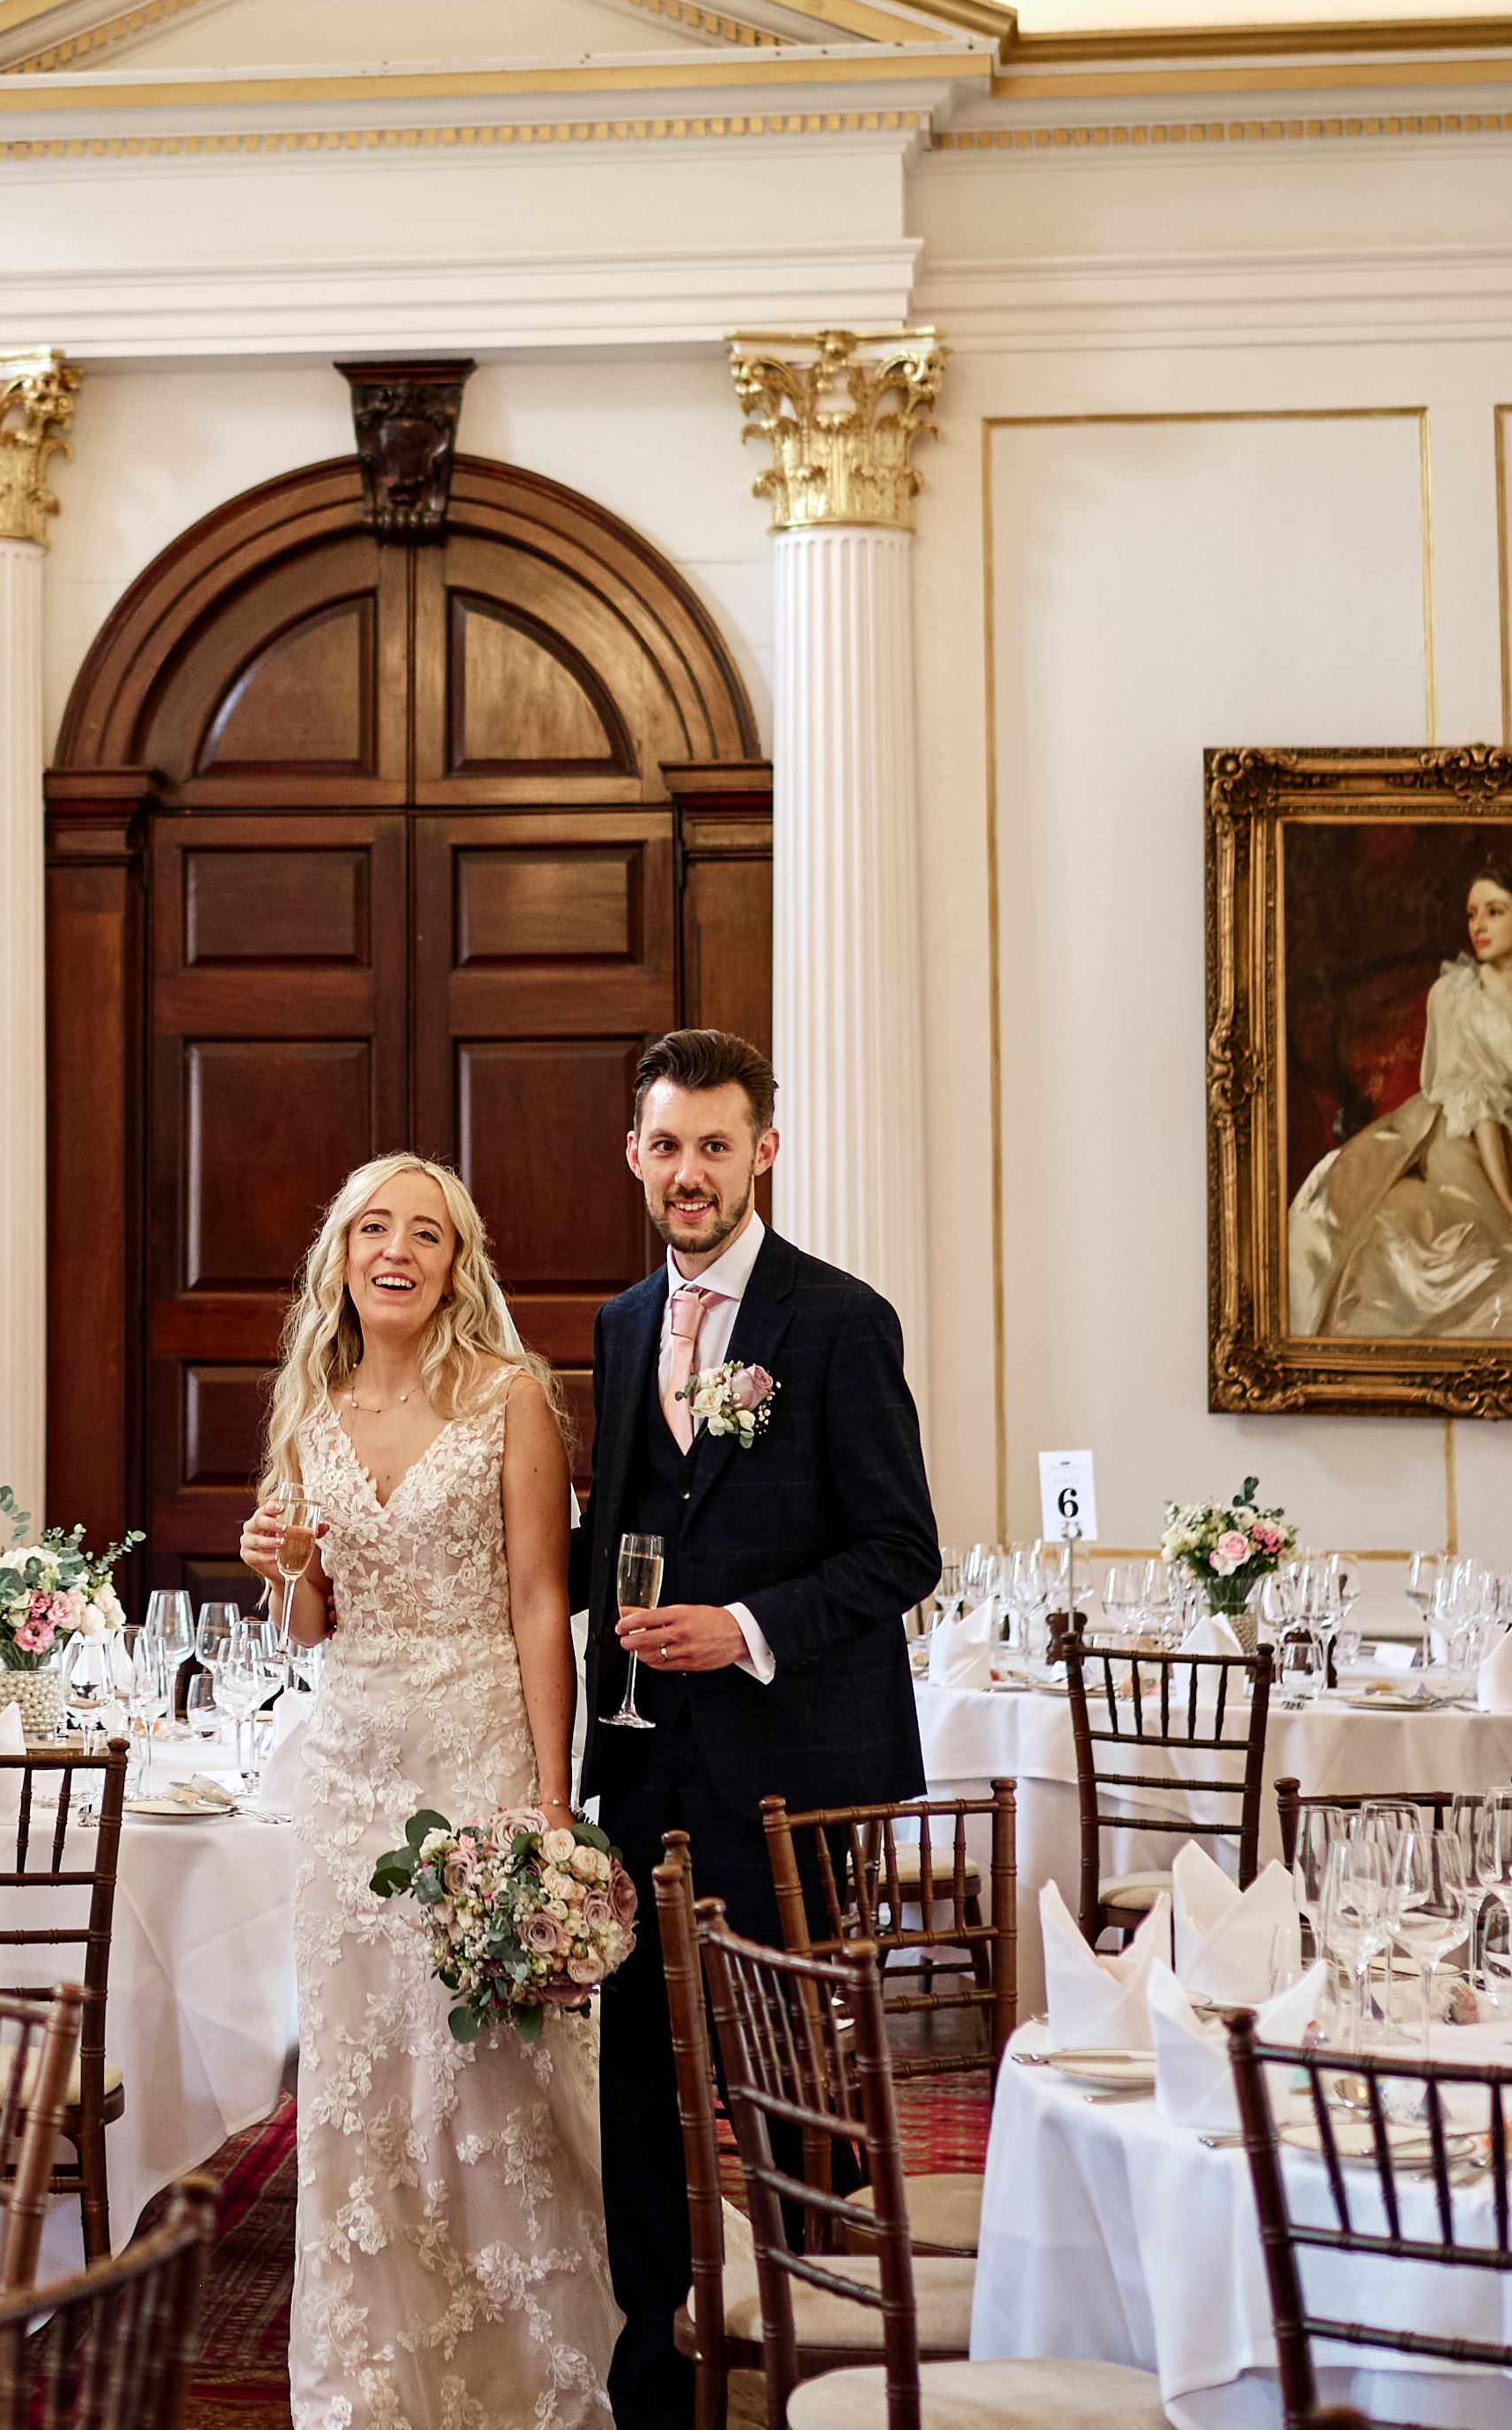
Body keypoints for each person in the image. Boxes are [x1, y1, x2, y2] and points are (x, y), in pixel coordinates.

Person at [573, 1029, 940, 2430]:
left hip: (796, 1781)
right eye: (664, 1145)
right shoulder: (617, 1328)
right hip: (647, 1766)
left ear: (762, 1153)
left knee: (795, 2097)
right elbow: (620, 1526)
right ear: (634, 1154)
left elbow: (901, 1551)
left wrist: (744, 1629)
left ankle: (823, 2372)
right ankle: (655, 2383)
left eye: (713, 1144)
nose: (687, 1171)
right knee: (638, 2096)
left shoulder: (838, 1320)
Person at [237, 1153, 614, 2430]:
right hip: (347, 1785)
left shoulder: (511, 1399)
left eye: (427, 1235)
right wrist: (277, 1567)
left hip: (476, 1769)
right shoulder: (309, 1408)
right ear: (340, 1253)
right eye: (374, 1230)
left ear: (458, 1265)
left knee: (493, 2085)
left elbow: (537, 1603)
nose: (396, 1251)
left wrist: (550, 1812)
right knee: (362, 2086)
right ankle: (368, 2385)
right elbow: (307, 1625)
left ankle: (528, 2377)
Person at [1283, 859, 1512, 1340]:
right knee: (1425, 1236)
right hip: (1465, 1136)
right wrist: (1508, 1201)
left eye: (1494, 912)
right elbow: (1478, 1105)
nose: (1478, 926)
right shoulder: (1453, 995)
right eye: (1472, 914)